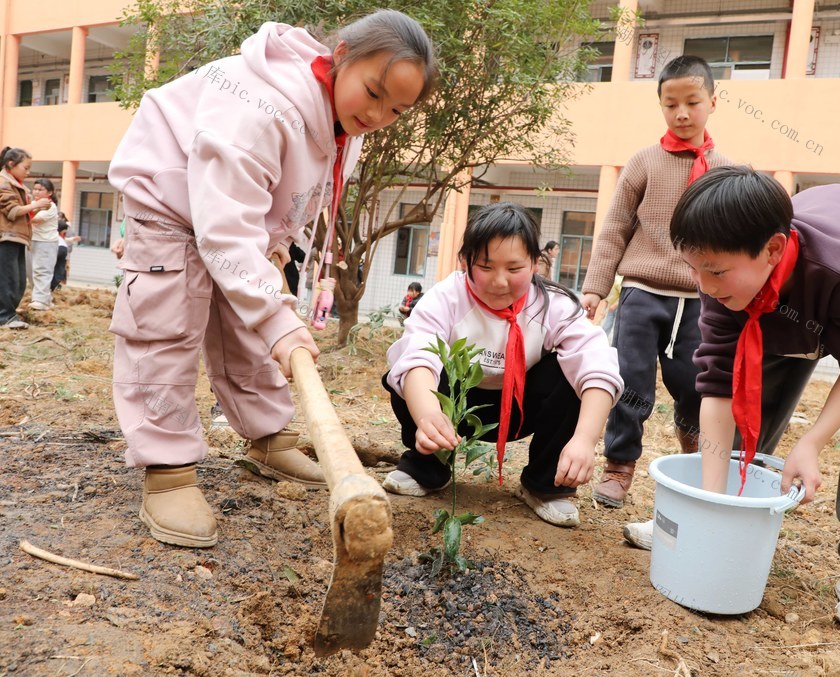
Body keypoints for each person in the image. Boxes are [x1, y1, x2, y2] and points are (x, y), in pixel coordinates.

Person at [107, 11, 438, 548]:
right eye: (373, 93)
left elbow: (292, 193)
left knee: (250, 329)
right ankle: (167, 471)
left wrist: (279, 242)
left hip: (235, 216)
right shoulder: (263, 111)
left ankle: (267, 438)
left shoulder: (343, 121)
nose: (378, 115)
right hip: (170, 202)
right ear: (342, 55)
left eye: (396, 110)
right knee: (166, 327)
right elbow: (223, 228)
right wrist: (277, 319)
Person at [626, 166, 840, 647]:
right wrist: (711, 508)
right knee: (752, 389)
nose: (703, 285)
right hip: (771, 293)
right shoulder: (722, 282)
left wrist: (811, 443)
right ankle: (727, 513)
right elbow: (720, 389)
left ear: (772, 249)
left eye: (714, 270)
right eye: (693, 268)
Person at [381, 202, 623, 527]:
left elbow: (598, 366)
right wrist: (428, 416)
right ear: (465, 260)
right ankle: (428, 467)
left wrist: (584, 441)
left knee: (569, 374)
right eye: (485, 266)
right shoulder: (446, 297)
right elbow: (417, 354)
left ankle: (545, 485)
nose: (499, 281)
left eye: (514, 268)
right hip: (454, 411)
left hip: (521, 410)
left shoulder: (554, 305)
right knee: (408, 375)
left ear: (535, 263)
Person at [579, 56, 732, 508]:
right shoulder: (644, 162)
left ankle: (696, 461)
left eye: (692, 102)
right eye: (671, 104)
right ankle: (618, 466)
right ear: (661, 105)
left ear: (713, 102)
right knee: (631, 382)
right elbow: (615, 227)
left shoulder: (726, 171)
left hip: (701, 300)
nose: (681, 113)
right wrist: (595, 286)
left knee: (696, 384)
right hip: (642, 294)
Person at [0, 147, 51, 329]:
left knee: (19, 280)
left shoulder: (15, 183)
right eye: (26, 168)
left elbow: (22, 214)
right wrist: (36, 205)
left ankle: (9, 314)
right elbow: (13, 211)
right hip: (7, 237)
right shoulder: (3, 183)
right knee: (9, 279)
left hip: (17, 237)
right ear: (11, 164)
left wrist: (35, 207)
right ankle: (5, 316)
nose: (28, 172)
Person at [28, 178, 60, 310]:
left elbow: (35, 220)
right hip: (33, 240)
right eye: (35, 189)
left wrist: (22, 211)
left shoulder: (50, 206)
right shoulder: (33, 204)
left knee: (42, 270)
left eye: (40, 190)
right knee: (32, 271)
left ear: (50, 193)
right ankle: (45, 299)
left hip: (46, 242)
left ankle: (41, 301)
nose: (36, 192)